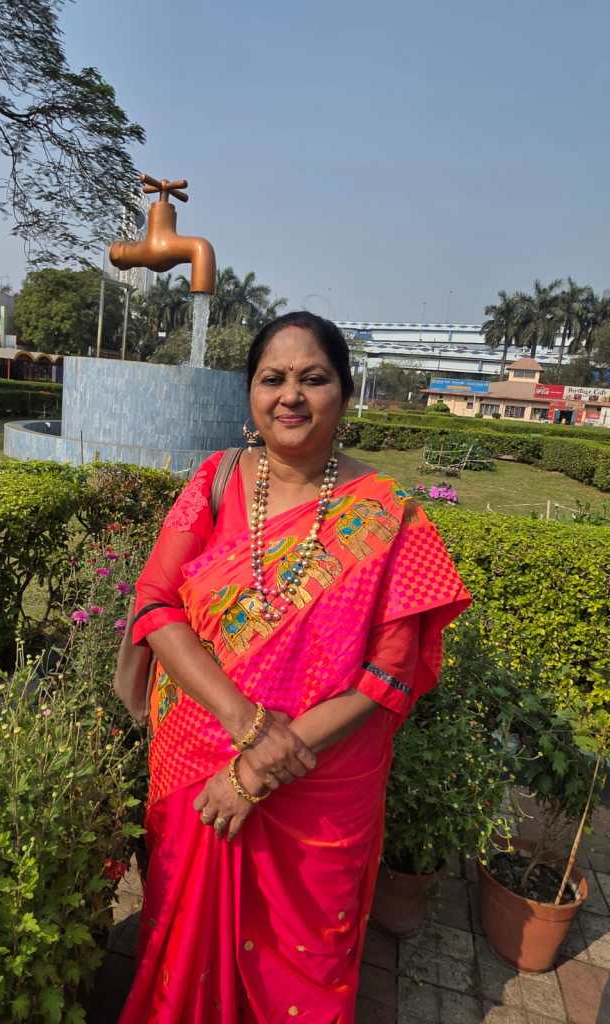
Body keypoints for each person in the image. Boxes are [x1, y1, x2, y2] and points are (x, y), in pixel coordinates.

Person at [120, 311, 471, 1023]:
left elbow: (388, 676)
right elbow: (157, 603)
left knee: (303, 963)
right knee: (183, 943)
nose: (290, 395)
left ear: (345, 392)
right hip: (194, 764)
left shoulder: (391, 517)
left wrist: (257, 769)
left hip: (321, 784)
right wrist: (246, 723)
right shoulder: (215, 480)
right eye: (271, 378)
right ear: (250, 392)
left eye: (313, 378)